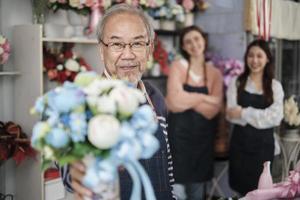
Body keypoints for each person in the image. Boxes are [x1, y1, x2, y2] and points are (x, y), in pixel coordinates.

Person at [59, 4, 175, 200]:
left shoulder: (155, 97)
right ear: (102, 51)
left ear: (149, 50)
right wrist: (79, 168)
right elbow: (69, 175)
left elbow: (167, 172)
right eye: (117, 44)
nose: (128, 55)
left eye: (137, 44)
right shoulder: (82, 102)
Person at [166, 25, 223, 200]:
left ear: (204, 40)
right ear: (183, 46)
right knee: (177, 192)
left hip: (202, 142)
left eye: (196, 39)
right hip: (178, 139)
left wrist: (186, 97)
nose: (193, 44)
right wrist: (205, 98)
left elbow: (213, 110)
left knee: (197, 192)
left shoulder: (214, 73)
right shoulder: (178, 66)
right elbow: (173, 103)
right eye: (188, 41)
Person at [226, 39, 284, 196]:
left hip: (263, 148)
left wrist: (244, 113)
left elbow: (276, 117)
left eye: (260, 56)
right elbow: (231, 115)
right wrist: (261, 117)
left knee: (262, 191)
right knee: (241, 190)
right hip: (240, 146)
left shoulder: (275, 86)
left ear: (267, 59)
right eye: (251, 55)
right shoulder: (237, 83)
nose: (255, 60)